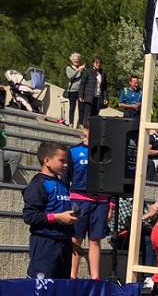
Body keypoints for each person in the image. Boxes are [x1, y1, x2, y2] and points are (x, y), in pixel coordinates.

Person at [22, 142, 79, 279]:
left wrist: (70, 240)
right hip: (45, 243)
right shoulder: (38, 184)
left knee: (61, 286)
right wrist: (57, 217)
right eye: (62, 161)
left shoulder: (63, 184)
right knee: (42, 286)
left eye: (66, 161)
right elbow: (30, 216)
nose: (66, 165)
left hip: (64, 244)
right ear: (47, 161)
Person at [66, 118, 111, 279]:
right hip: (79, 200)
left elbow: (110, 180)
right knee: (76, 238)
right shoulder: (73, 151)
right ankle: (72, 276)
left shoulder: (106, 153)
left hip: (101, 202)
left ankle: (95, 277)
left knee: (95, 240)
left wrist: (111, 204)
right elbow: (67, 177)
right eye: (92, 130)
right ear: (85, 130)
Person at [77, 56, 108, 123]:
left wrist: (105, 98)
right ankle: (84, 126)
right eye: (96, 63)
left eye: (100, 63)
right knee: (87, 114)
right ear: (93, 63)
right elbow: (82, 84)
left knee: (95, 115)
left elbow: (104, 87)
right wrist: (80, 95)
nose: (98, 64)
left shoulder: (102, 74)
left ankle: (92, 128)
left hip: (98, 97)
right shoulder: (88, 72)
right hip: (89, 96)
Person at [65, 53, 85, 127]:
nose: (76, 61)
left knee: (81, 108)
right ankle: (71, 122)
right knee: (72, 107)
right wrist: (79, 70)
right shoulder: (69, 68)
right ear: (72, 60)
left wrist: (83, 70)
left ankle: (80, 123)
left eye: (77, 59)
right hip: (72, 90)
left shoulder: (82, 68)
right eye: (74, 59)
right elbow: (71, 76)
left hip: (81, 91)